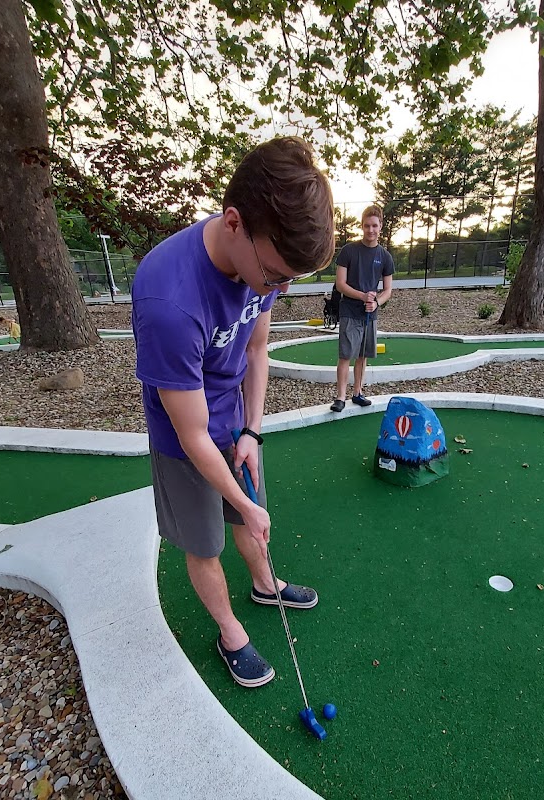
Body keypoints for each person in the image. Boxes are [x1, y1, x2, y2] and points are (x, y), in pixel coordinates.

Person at [131, 137, 335, 688]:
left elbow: (256, 349)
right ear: (234, 222)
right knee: (207, 544)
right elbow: (192, 434)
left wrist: (252, 430)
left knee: (250, 519)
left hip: (231, 421)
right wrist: (240, 497)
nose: (278, 288)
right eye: (273, 275)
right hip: (183, 439)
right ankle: (230, 633)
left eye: (289, 278)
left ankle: (266, 586)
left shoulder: (262, 263)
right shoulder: (168, 300)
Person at [330, 205, 394, 412]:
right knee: (346, 355)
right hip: (350, 311)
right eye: (367, 226)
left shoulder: (385, 256)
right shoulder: (349, 251)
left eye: (374, 226)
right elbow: (341, 284)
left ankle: (357, 392)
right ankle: (340, 397)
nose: (370, 230)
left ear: (380, 226)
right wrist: (362, 296)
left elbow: (387, 290)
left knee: (363, 355)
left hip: (370, 313)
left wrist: (376, 302)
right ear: (362, 226)